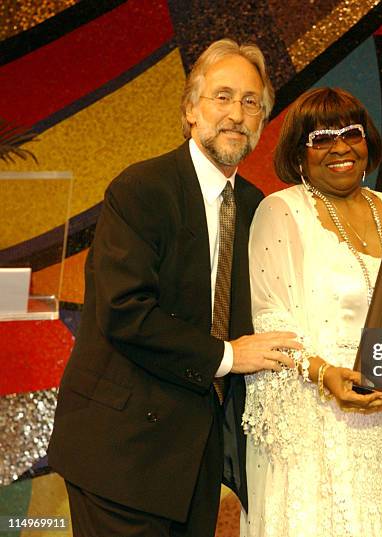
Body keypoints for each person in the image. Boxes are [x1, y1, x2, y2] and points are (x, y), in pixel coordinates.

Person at [47, 39, 300, 537]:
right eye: (222, 97)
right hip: (120, 454)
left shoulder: (259, 208)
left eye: (251, 102)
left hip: (194, 465)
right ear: (190, 110)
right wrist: (228, 356)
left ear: (263, 120)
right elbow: (125, 312)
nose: (236, 114)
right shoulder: (141, 189)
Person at [241, 87, 382, 536]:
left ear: (367, 141)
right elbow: (272, 322)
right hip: (323, 417)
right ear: (299, 153)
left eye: (350, 133)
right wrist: (324, 375)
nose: (339, 147)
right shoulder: (281, 211)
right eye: (320, 138)